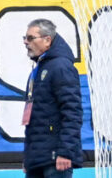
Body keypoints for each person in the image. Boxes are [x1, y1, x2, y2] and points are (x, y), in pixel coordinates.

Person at [20, 19, 83, 178]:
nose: (26, 42)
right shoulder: (39, 69)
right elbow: (34, 119)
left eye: (30, 38)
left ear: (47, 40)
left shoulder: (60, 66)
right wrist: (29, 157)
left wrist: (65, 152)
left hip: (56, 158)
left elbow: (72, 112)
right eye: (25, 38)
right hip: (38, 158)